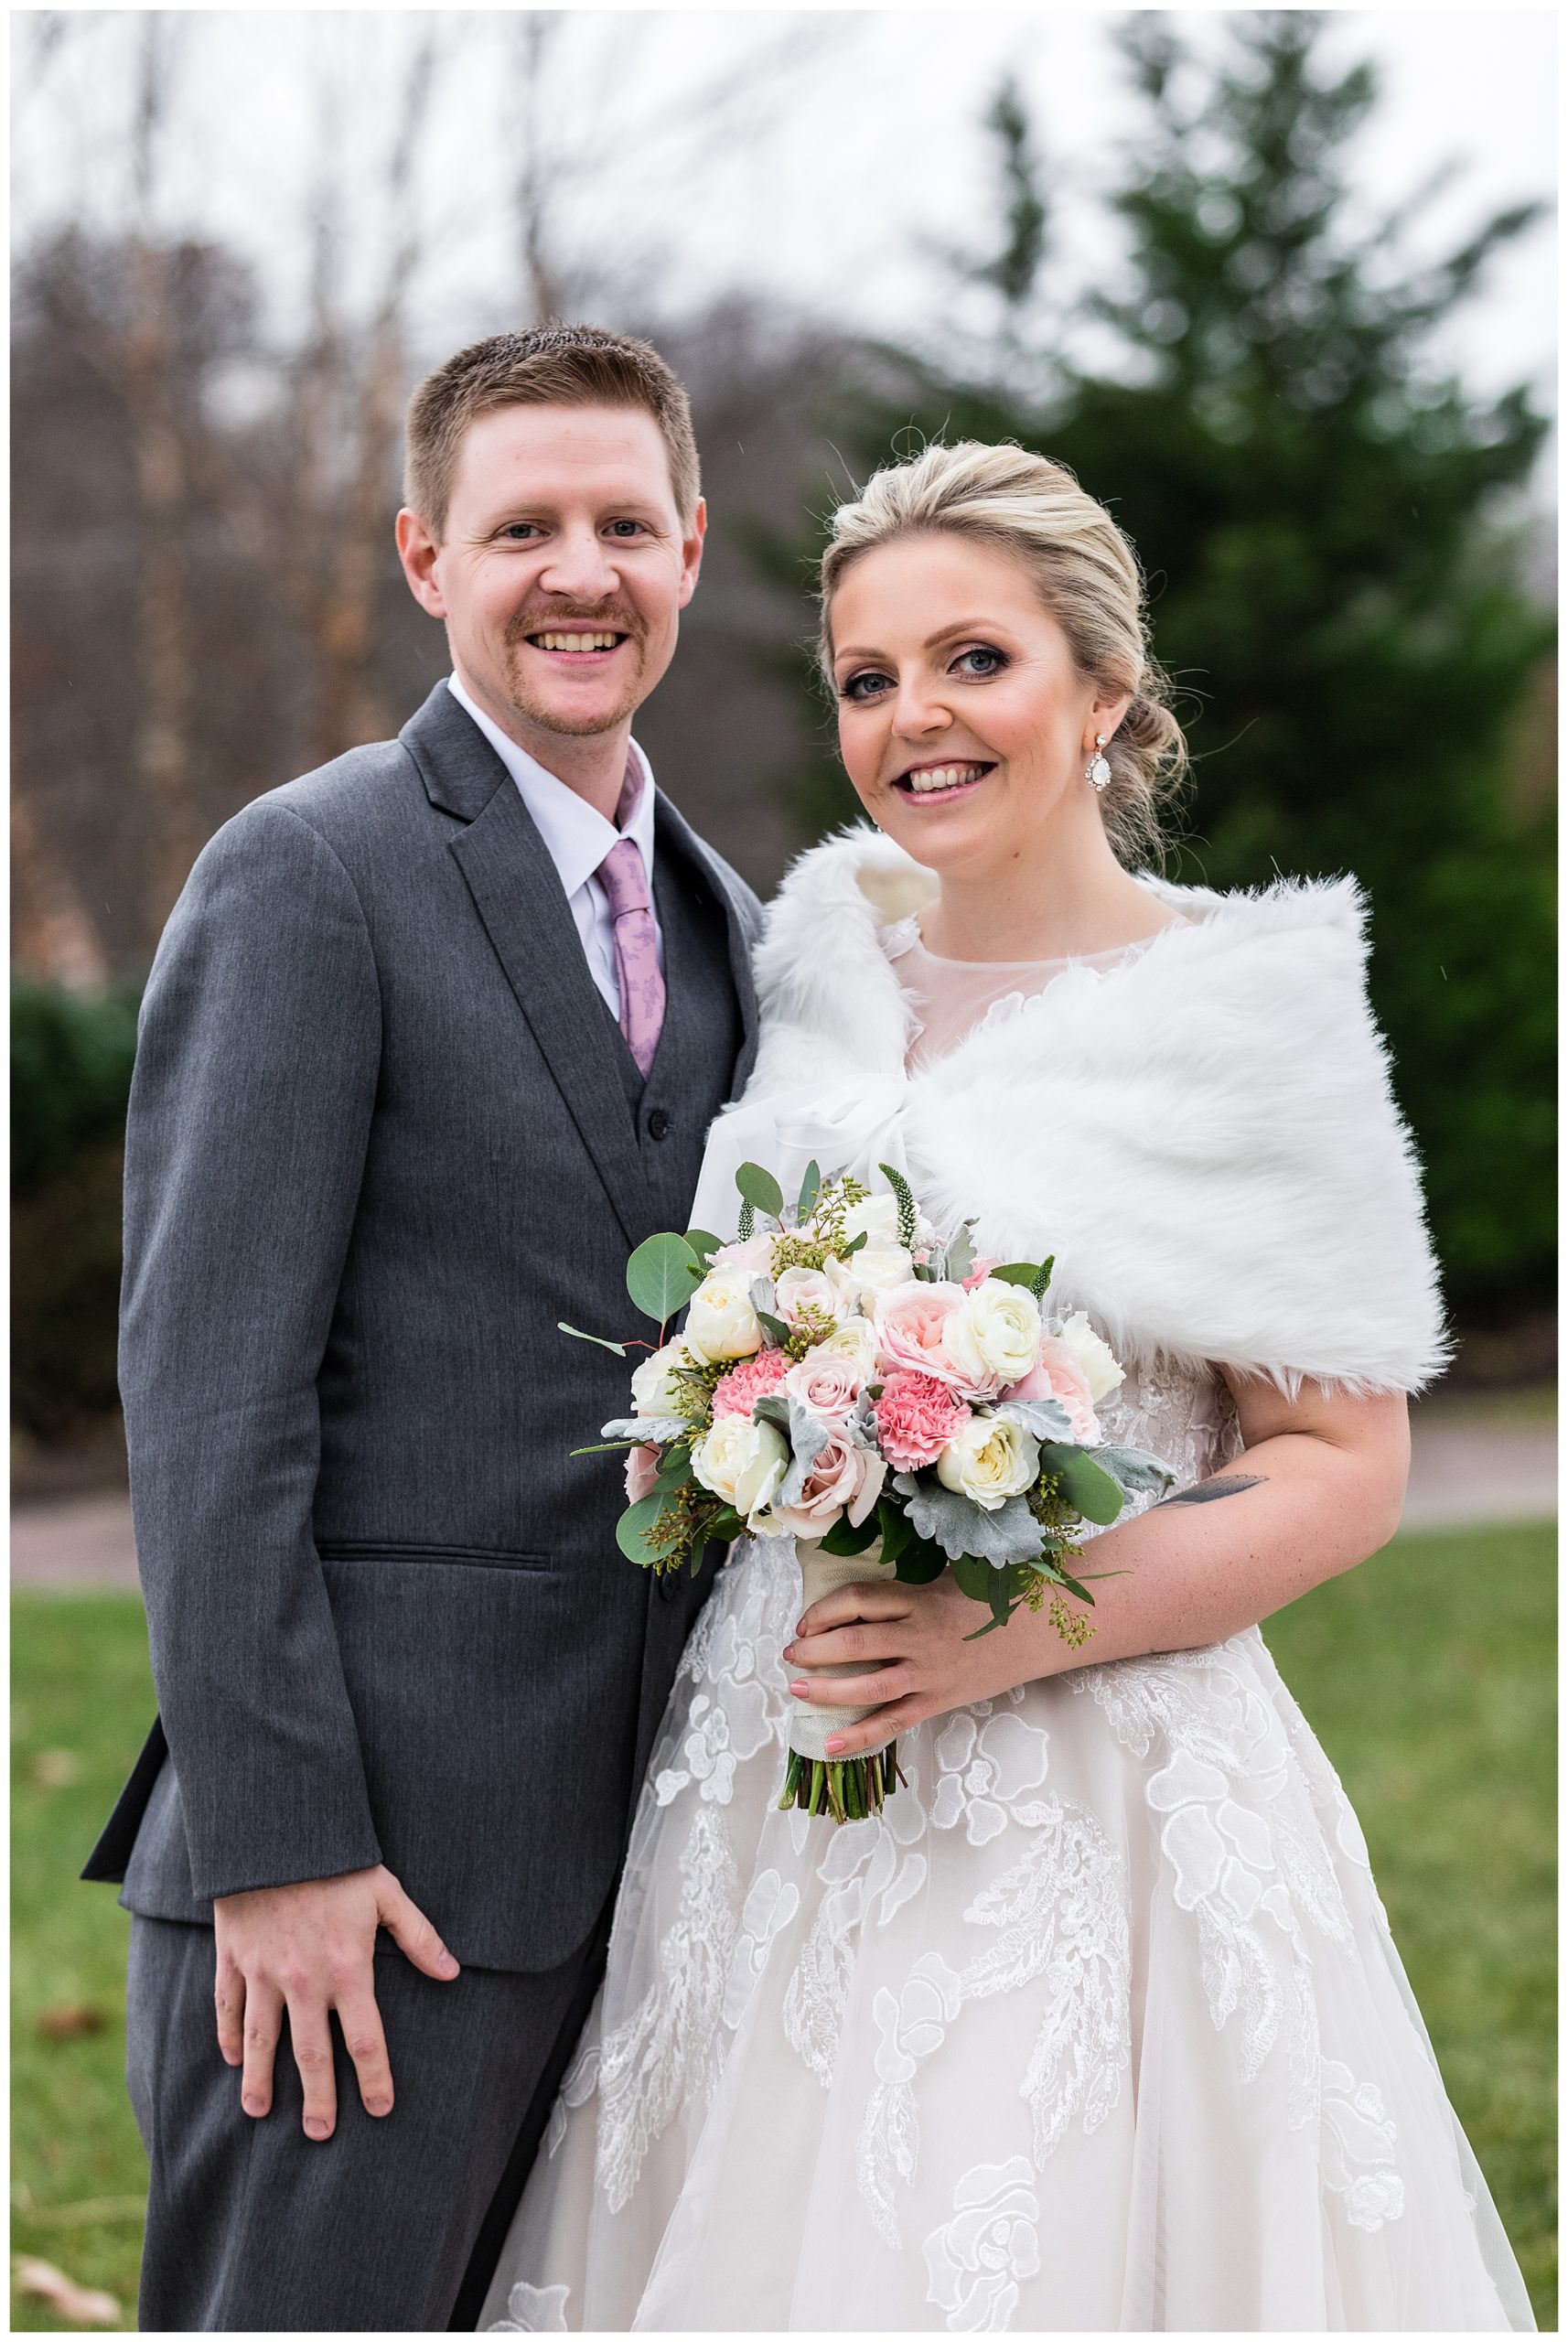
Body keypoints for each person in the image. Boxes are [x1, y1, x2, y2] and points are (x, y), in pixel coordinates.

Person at [482, 441, 1535, 2332]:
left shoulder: (1244, 1009)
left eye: (972, 659)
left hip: (1094, 1790)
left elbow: (1336, 1461)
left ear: (1103, 693)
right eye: (867, 677)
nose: (913, 719)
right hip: (770, 1770)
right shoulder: (809, 969)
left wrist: (1002, 1637)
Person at [83, 324, 770, 2332]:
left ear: (691, 548)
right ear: (423, 557)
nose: (580, 570)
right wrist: (284, 1849)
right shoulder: (309, 871)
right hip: (358, 1881)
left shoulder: (729, 917)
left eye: (622, 523)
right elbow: (211, 1398)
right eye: (520, 525)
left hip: (654, 1871)